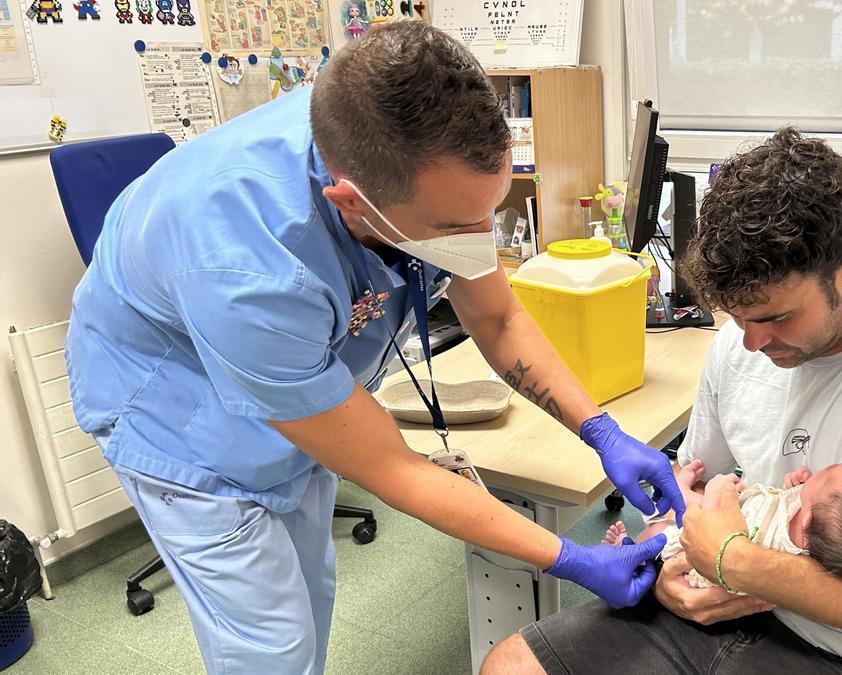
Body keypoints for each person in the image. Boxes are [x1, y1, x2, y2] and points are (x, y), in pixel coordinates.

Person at [64, 22, 683, 674]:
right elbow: (396, 469)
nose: (479, 239)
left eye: (491, 210)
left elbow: (498, 318)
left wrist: (602, 431)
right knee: (271, 646)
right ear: (351, 203)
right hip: (178, 417)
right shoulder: (249, 268)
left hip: (294, 376)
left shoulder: (395, 142)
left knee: (311, 596)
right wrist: (571, 558)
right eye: (456, 227)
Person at [486, 129, 842, 674]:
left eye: (776, 317)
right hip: (718, 606)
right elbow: (692, 492)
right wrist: (670, 572)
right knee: (509, 665)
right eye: (739, 317)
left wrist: (733, 560)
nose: (751, 343)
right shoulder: (739, 346)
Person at [604, 458, 842, 588]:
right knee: (681, 509)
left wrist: (717, 489)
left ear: (808, 520)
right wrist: (796, 487)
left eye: (829, 472)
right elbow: (789, 504)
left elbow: (713, 530)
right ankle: (678, 497)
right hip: (740, 511)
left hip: (703, 555)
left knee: (665, 532)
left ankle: (628, 552)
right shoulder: (813, 526)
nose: (828, 465)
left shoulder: (776, 544)